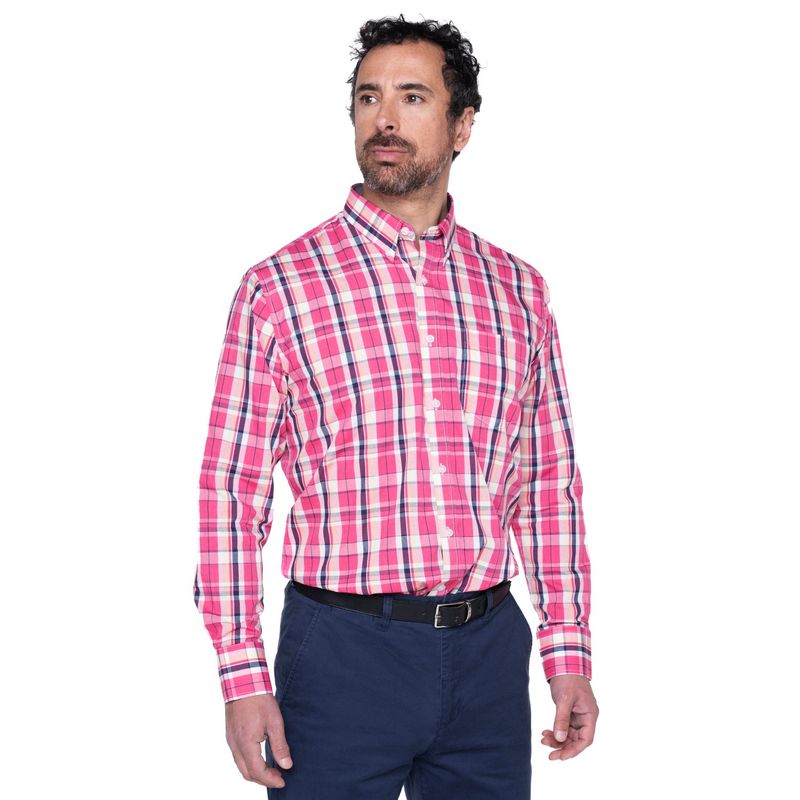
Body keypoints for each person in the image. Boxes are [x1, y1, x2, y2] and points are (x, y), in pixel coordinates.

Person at [193, 14, 599, 798]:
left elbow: (548, 485)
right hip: (340, 654)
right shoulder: (279, 289)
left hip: (488, 654)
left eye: (413, 97)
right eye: (368, 97)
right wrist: (241, 674)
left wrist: (567, 651)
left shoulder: (519, 292)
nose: (384, 117)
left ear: (462, 125)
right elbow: (231, 490)